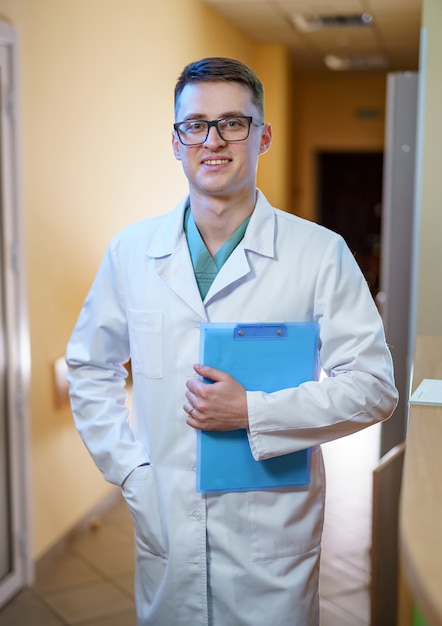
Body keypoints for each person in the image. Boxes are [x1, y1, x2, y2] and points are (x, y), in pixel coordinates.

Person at [66, 57, 398, 626]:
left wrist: (253, 411)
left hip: (272, 535)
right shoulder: (131, 252)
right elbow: (89, 366)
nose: (212, 140)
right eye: (195, 125)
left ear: (262, 136)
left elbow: (373, 387)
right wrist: (129, 471)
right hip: (166, 520)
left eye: (233, 123)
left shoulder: (319, 254)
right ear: (175, 142)